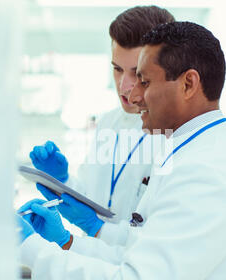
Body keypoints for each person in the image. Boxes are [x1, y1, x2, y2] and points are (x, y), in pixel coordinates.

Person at [16, 21, 226, 280]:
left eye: (144, 82)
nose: (133, 95)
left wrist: (31, 249)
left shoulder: (205, 172)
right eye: (119, 71)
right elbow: (138, 250)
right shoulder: (190, 151)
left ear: (188, 84)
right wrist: (67, 242)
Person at [29, 6, 175, 239]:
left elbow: (163, 243)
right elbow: (92, 198)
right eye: (117, 69)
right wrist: (62, 180)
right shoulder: (109, 123)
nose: (123, 86)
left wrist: (96, 228)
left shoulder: (175, 135)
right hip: (96, 265)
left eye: (137, 73)